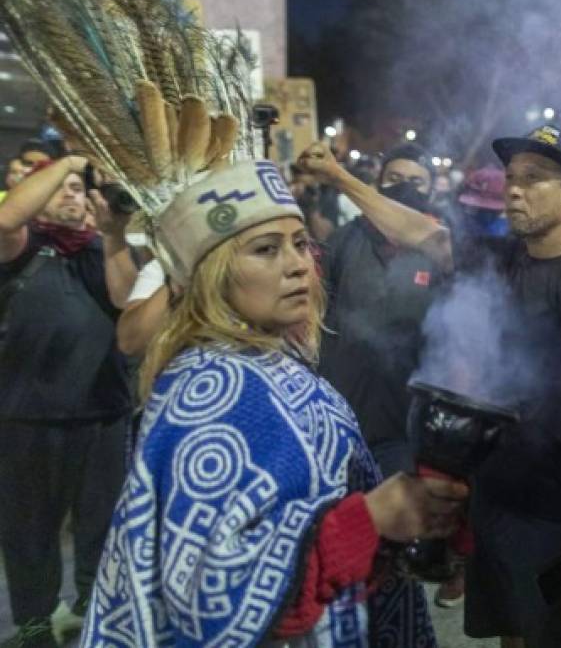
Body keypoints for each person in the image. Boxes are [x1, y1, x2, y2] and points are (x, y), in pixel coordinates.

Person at [82, 160, 468, 646]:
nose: (298, 264)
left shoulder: (271, 360)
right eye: (266, 249)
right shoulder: (206, 392)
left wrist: (399, 517)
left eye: (301, 243)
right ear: (210, 274)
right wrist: (367, 520)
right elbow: (206, 592)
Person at [300, 126, 561, 648]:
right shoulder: (498, 259)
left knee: (548, 638)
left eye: (535, 179)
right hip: (494, 499)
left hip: (557, 508)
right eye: (512, 177)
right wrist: (338, 177)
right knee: (510, 635)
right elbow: (423, 233)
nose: (515, 189)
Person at [0, 155, 136, 648]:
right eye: (61, 187)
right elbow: (5, 218)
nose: (71, 193)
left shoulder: (105, 249)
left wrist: (115, 233)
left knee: (101, 529)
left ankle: (94, 615)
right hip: (27, 417)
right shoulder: (21, 247)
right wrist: (72, 161)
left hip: (104, 414)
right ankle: (34, 626)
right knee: (29, 531)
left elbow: (125, 301)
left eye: (79, 187)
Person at [313, 142, 439, 481]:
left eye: (416, 182)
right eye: (394, 177)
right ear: (378, 183)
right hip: (340, 410)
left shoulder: (441, 251)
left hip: (404, 422)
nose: (403, 188)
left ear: (433, 190)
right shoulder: (346, 239)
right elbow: (317, 308)